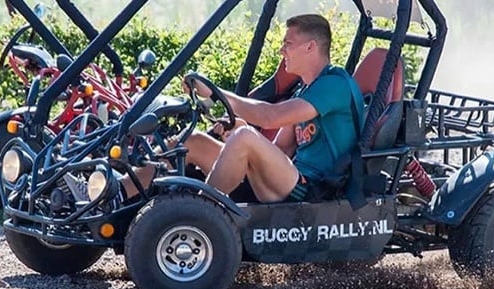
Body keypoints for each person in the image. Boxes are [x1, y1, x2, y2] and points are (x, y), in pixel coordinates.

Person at [122, 13, 365, 203]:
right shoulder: (306, 90)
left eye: (288, 43)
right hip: (288, 179)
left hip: (315, 188)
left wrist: (217, 95)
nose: (282, 51)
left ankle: (201, 216)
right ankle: (112, 195)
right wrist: (241, 128)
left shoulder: (334, 85)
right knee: (193, 141)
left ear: (310, 47)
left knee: (245, 137)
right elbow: (280, 148)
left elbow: (270, 116)